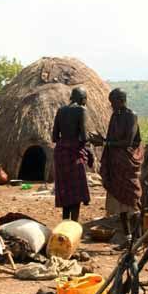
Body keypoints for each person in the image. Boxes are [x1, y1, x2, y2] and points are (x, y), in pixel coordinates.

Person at [91, 88, 144, 249]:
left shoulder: (131, 116)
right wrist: (102, 140)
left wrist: (105, 143)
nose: (111, 106)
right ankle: (128, 239)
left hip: (127, 163)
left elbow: (128, 141)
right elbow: (113, 140)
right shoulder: (116, 116)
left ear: (121, 100)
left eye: (113, 102)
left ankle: (138, 240)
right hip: (116, 163)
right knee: (120, 201)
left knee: (133, 199)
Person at [52, 87, 94, 221]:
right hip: (74, 154)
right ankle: (74, 225)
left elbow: (54, 137)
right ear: (82, 99)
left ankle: (65, 222)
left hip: (61, 154)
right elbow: (83, 136)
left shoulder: (60, 111)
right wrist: (89, 147)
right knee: (76, 192)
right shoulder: (81, 110)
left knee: (65, 190)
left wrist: (65, 143)